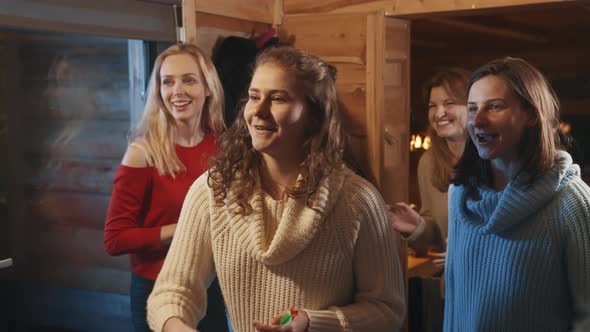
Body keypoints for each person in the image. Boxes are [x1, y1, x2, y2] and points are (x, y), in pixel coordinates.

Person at [146, 46, 406, 332]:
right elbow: (171, 293)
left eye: (278, 98)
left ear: (314, 113)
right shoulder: (212, 192)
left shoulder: (358, 201)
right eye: (254, 97)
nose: (257, 111)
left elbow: (387, 310)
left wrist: (312, 323)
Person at [445, 57, 590, 331]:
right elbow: (454, 303)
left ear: (532, 115)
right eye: (473, 109)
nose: (478, 120)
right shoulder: (460, 195)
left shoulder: (572, 202)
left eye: (495, 107)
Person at [103, 43, 229, 332]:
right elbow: (115, 239)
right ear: (158, 91)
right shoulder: (143, 153)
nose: (177, 91)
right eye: (167, 82)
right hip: (157, 290)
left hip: (211, 287)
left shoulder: (223, 146)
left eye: (189, 80)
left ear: (207, 88)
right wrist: (183, 230)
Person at [390, 68, 470, 269]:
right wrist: (417, 225)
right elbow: (438, 231)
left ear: (473, 107)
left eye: (449, 103)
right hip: (453, 287)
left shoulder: (494, 158)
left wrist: (466, 255)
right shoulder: (428, 162)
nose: (439, 113)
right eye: (432, 106)